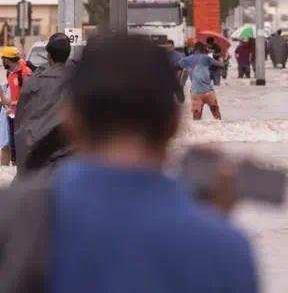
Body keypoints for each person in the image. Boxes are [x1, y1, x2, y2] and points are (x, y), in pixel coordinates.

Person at [0, 34, 259, 293]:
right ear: (174, 124)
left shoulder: (13, 216)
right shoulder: (226, 248)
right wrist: (211, 226)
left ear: (71, 118)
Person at [14, 33, 72, 177]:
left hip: (39, 159)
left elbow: (20, 125)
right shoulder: (78, 82)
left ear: (49, 56)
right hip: (69, 161)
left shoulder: (32, 83)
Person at [0, 47, 32, 165]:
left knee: (21, 148)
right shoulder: (10, 74)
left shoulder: (25, 73)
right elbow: (10, 96)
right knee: (13, 148)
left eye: (3, 60)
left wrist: (12, 103)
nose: (2, 63)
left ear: (8, 60)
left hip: (23, 116)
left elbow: (30, 98)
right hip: (12, 115)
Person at [179, 42, 224, 120]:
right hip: (208, 91)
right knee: (217, 115)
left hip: (195, 93)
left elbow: (179, 66)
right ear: (203, 49)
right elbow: (220, 65)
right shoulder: (206, 58)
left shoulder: (187, 59)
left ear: (194, 49)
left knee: (196, 117)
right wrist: (221, 58)